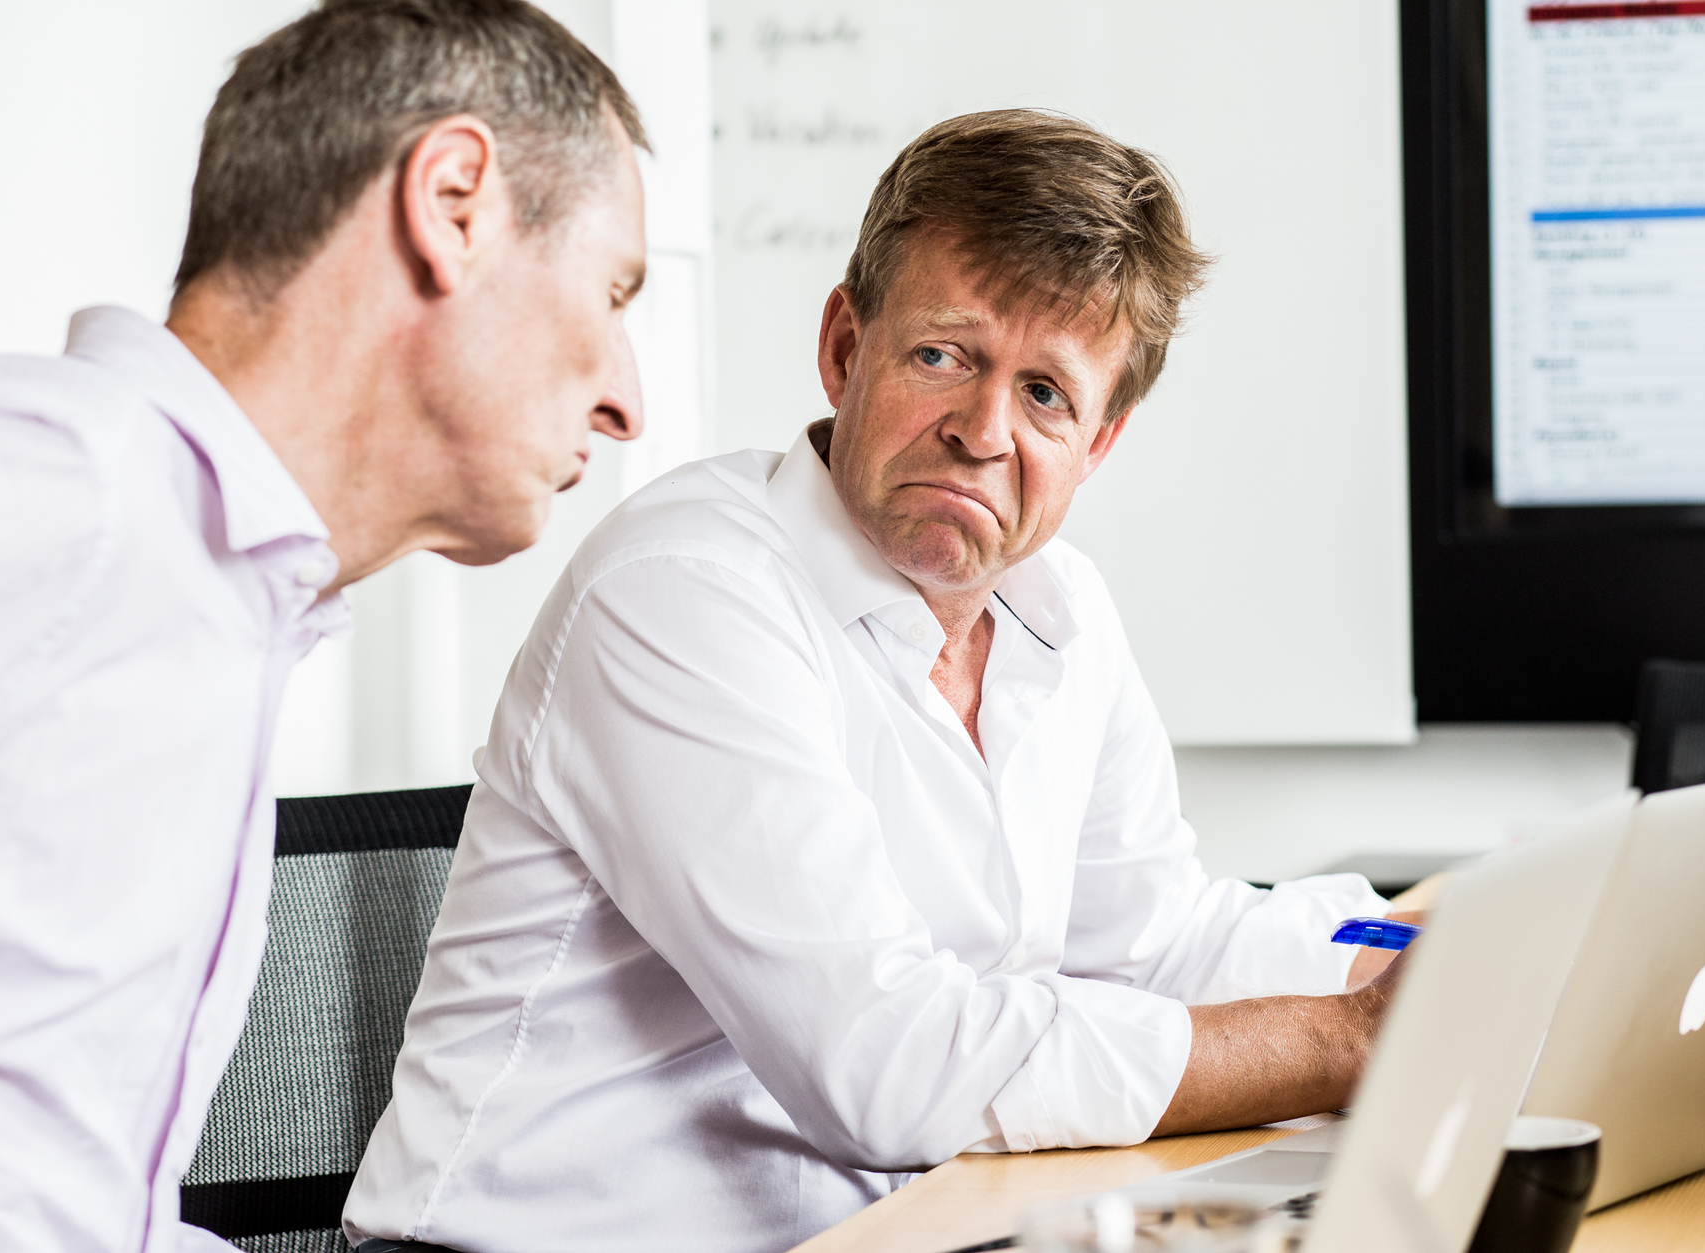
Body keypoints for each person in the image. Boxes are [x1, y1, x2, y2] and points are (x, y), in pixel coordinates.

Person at [343, 110, 1404, 1253]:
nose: (983, 432)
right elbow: (883, 1062)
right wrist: (1347, 1040)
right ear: (845, 348)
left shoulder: (1064, 613)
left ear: (1098, 441)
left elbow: (1153, 944)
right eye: (943, 355)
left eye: (1046, 393)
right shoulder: (687, 588)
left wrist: (1414, 951)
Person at [0, 3, 648, 1250]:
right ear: (453, 202)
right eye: (611, 289)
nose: (627, 401)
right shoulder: (54, 479)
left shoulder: (214, 596)